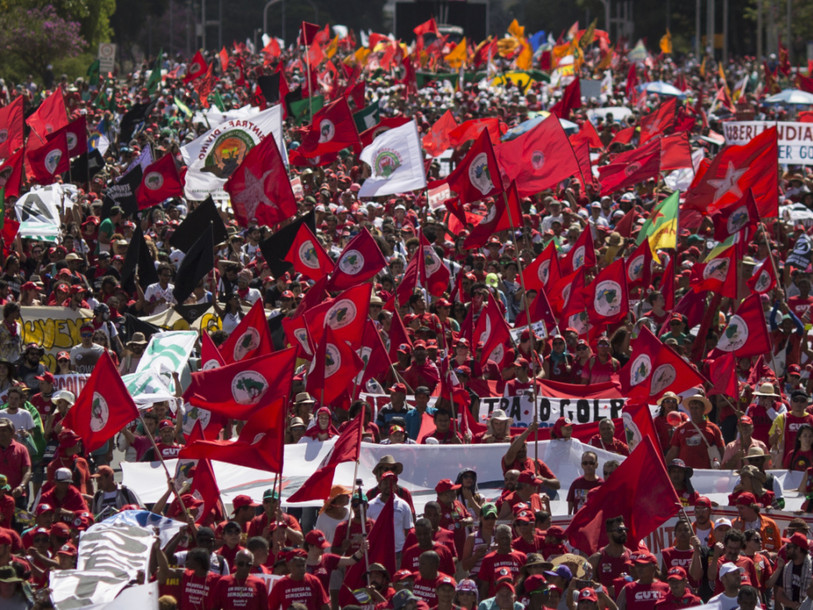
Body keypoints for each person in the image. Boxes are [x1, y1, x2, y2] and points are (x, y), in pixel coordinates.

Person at [665, 394, 725, 469]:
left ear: (703, 409)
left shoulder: (713, 428)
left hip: (706, 471)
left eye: (697, 408)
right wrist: (664, 467)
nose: (694, 411)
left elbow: (722, 450)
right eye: (692, 408)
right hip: (684, 471)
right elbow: (673, 451)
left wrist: (724, 468)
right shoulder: (680, 428)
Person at [367, 471, 413, 554]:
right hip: (377, 551)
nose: (389, 486)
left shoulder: (404, 505)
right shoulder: (370, 506)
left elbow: (408, 529)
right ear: (379, 486)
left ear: (396, 487)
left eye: (392, 483)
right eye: (385, 483)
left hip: (398, 551)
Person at [587, 516, 631, 598]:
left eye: (625, 529)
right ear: (609, 533)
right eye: (620, 530)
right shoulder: (597, 558)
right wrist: (607, 590)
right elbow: (587, 587)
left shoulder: (631, 557)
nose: (624, 532)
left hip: (627, 602)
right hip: (605, 602)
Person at [776, 532, 813, 610]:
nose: (785, 549)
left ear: (798, 549)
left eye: (789, 546)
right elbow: (779, 594)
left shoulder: (811, 567)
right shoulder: (786, 567)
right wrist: (792, 604)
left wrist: (803, 606)